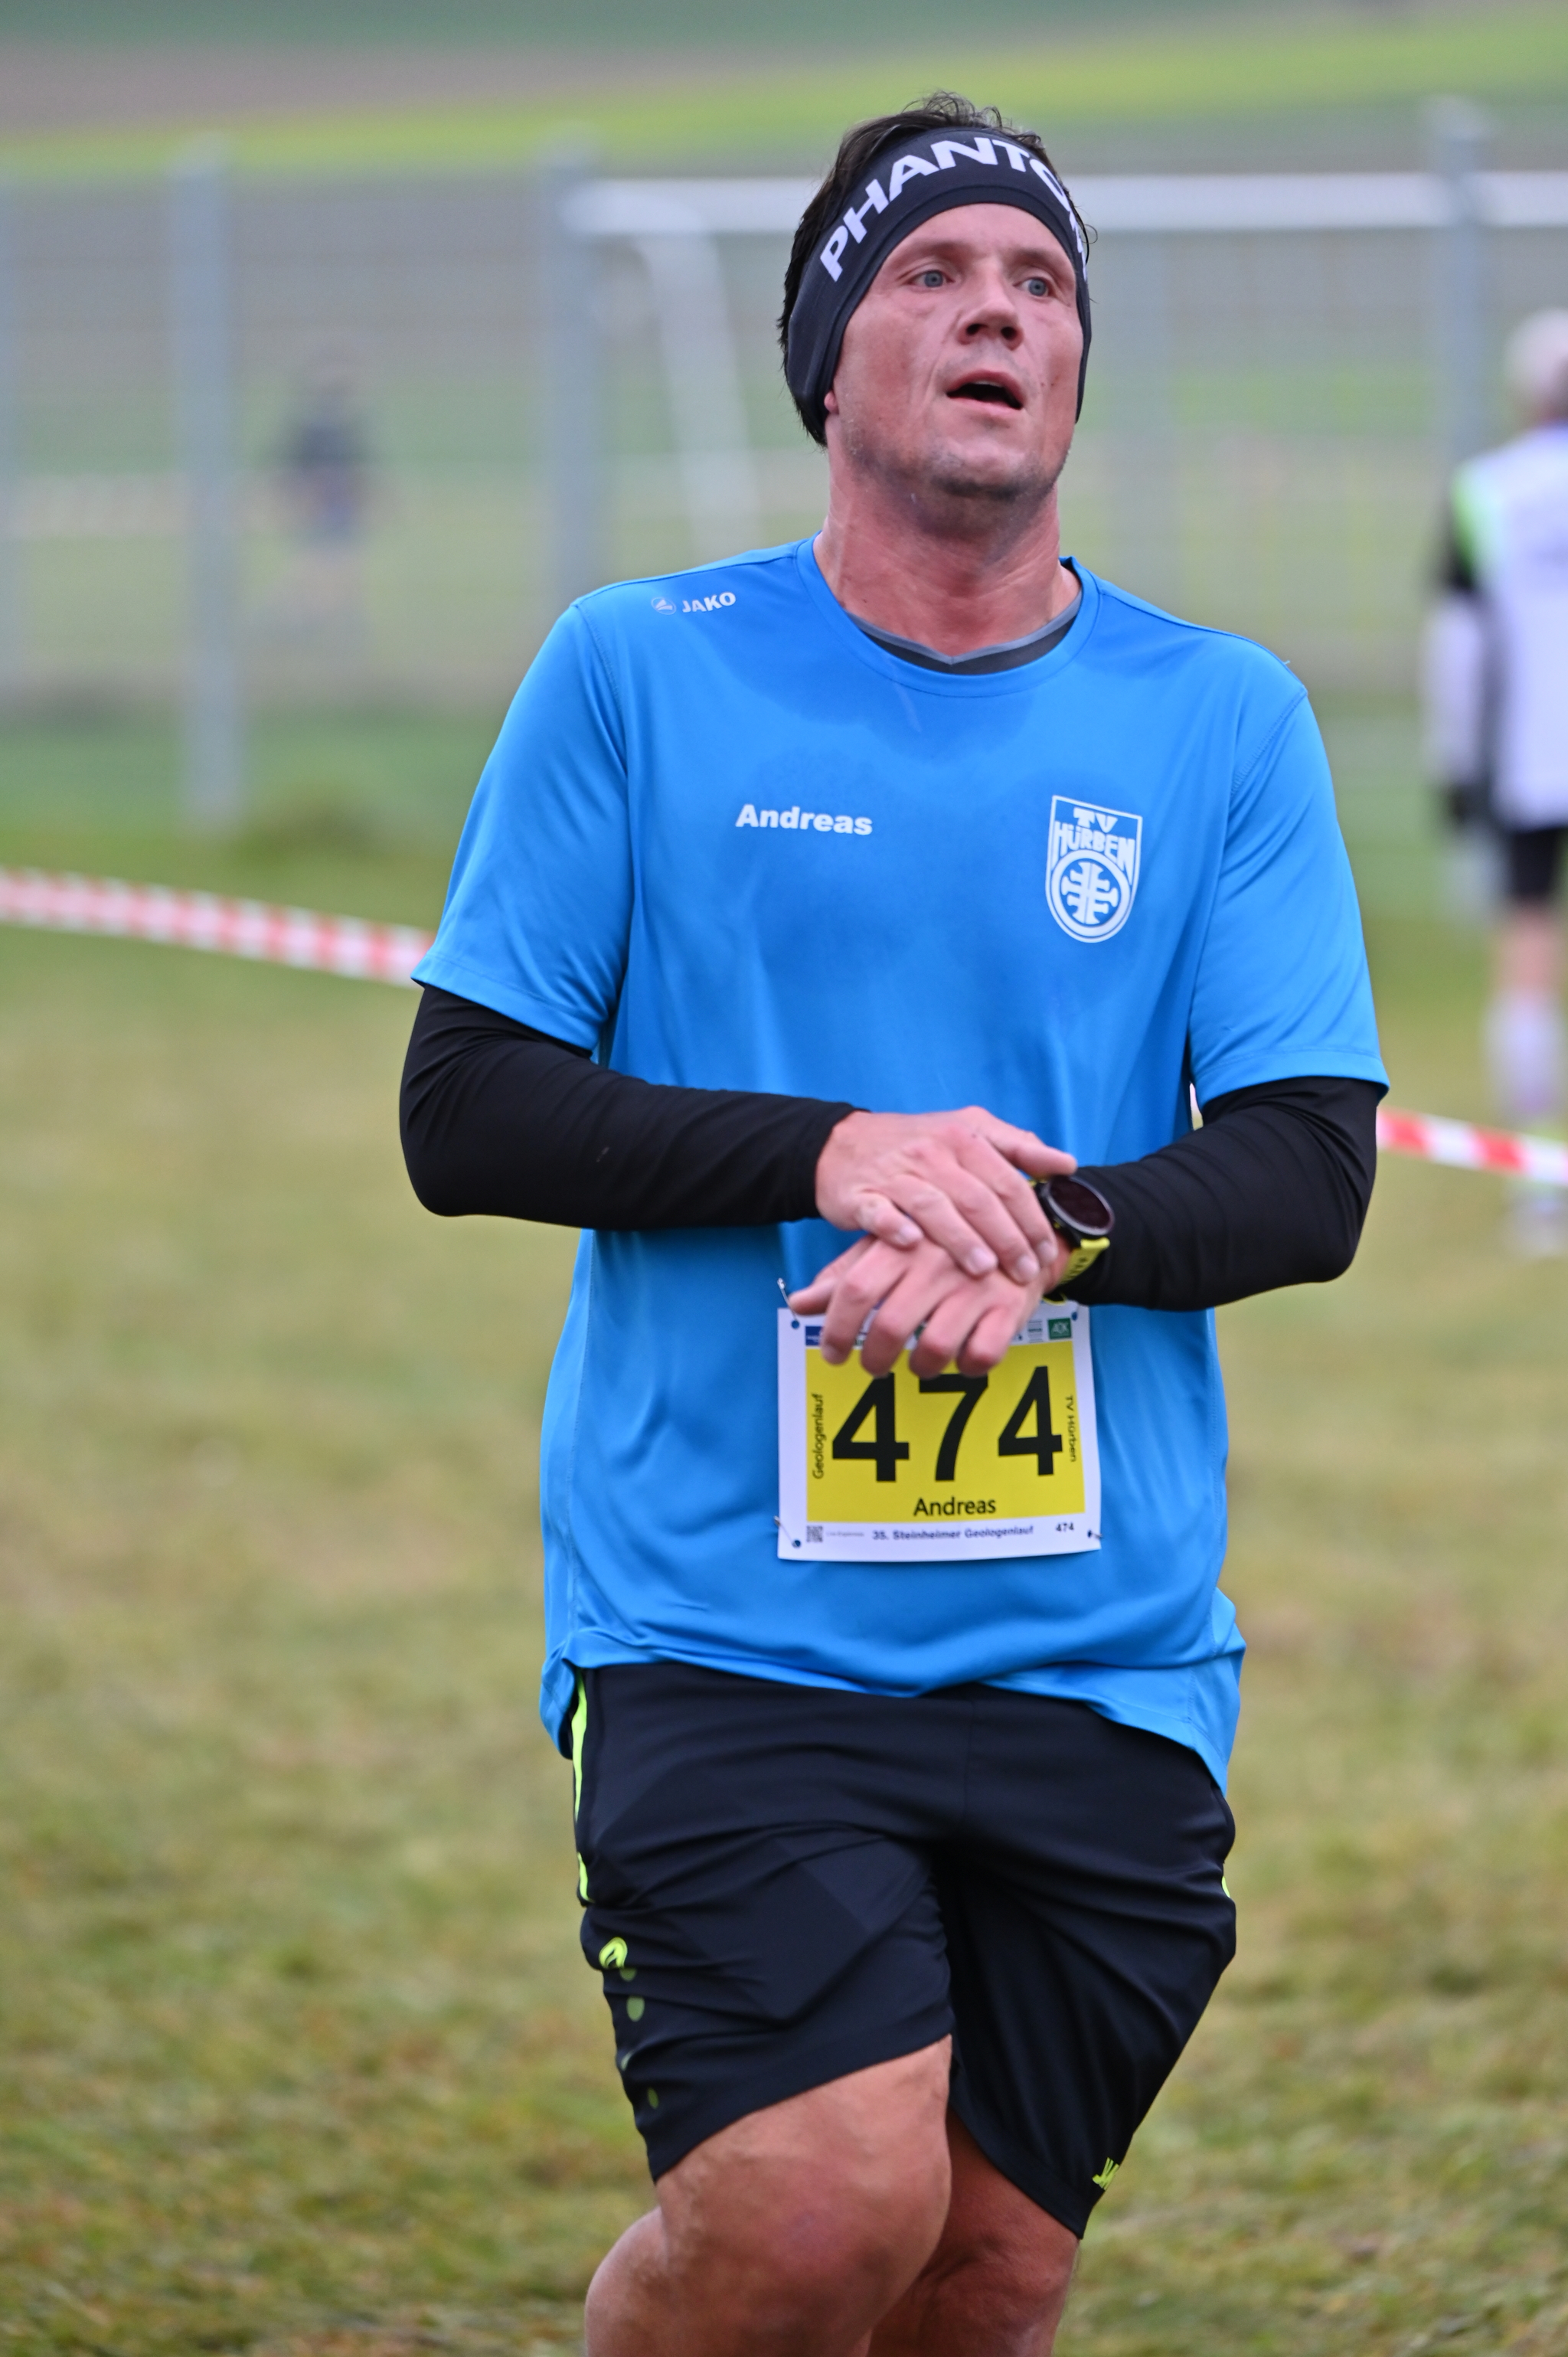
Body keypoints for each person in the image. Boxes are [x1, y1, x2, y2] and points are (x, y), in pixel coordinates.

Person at [400, 93, 1386, 2357]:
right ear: (824, 357)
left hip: (1099, 1651)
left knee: (983, 2277)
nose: (994, 315)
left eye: (1038, 285)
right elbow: (466, 1109)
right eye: (932, 275)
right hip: (726, 1629)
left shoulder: (1217, 718)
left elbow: (1307, 1162)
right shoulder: (638, 669)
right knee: (814, 2217)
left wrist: (1040, 1228)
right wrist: (831, 1150)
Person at [1423, 308, 1568, 1255]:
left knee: (1524, 958)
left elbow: (1458, 647)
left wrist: (1453, 764)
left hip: (1530, 761)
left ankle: (1536, 1186)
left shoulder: (1485, 492)